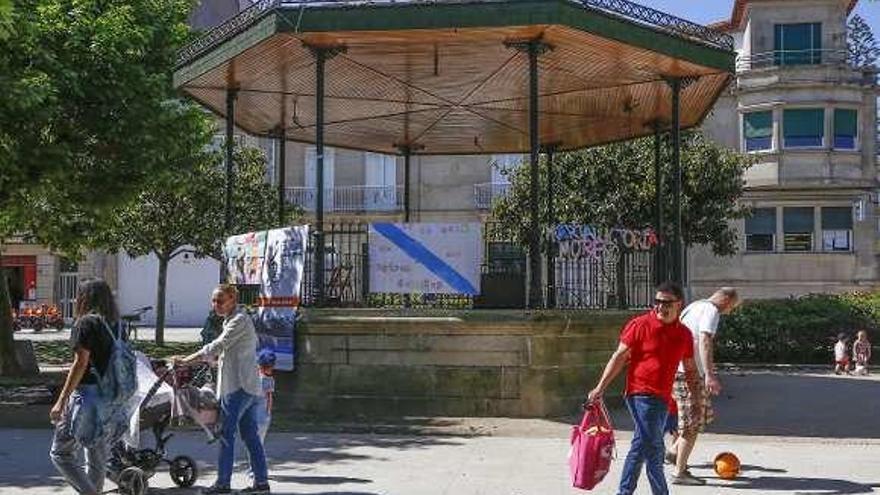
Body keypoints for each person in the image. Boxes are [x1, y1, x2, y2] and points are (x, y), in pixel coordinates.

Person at [587, 281, 702, 495]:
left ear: (679, 305)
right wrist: (600, 387)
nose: (660, 307)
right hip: (641, 394)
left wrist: (695, 400)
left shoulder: (684, 334)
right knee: (655, 450)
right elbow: (619, 357)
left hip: (663, 398)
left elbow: (691, 370)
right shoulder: (639, 325)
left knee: (640, 446)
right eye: (657, 302)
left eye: (666, 303)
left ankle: (624, 492)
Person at [174, 284, 270, 494]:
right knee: (250, 436)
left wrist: (185, 361)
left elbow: (216, 346)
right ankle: (261, 484)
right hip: (247, 386)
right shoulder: (234, 320)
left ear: (232, 300)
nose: (216, 304)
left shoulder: (239, 320)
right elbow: (233, 352)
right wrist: (216, 362)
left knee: (226, 434)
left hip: (238, 387)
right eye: (214, 300)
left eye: (220, 300)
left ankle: (223, 484)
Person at [49, 279, 124, 495]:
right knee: (96, 457)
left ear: (84, 297)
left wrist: (61, 400)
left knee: (60, 453)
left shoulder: (85, 324)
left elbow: (80, 363)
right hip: (109, 395)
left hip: (87, 395)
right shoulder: (117, 325)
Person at [667, 287, 740, 485]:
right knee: (692, 423)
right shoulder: (711, 310)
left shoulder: (692, 307)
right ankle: (679, 473)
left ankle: (673, 452)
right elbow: (705, 340)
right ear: (726, 299)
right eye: (731, 307)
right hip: (690, 374)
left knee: (697, 417)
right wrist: (709, 375)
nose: (729, 311)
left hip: (680, 370)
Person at [247, 349, 276, 482]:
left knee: (254, 444)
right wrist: (269, 413)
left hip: (255, 416)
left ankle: (254, 469)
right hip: (263, 417)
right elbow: (270, 399)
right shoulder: (269, 380)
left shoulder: (254, 379)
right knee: (258, 444)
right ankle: (255, 469)